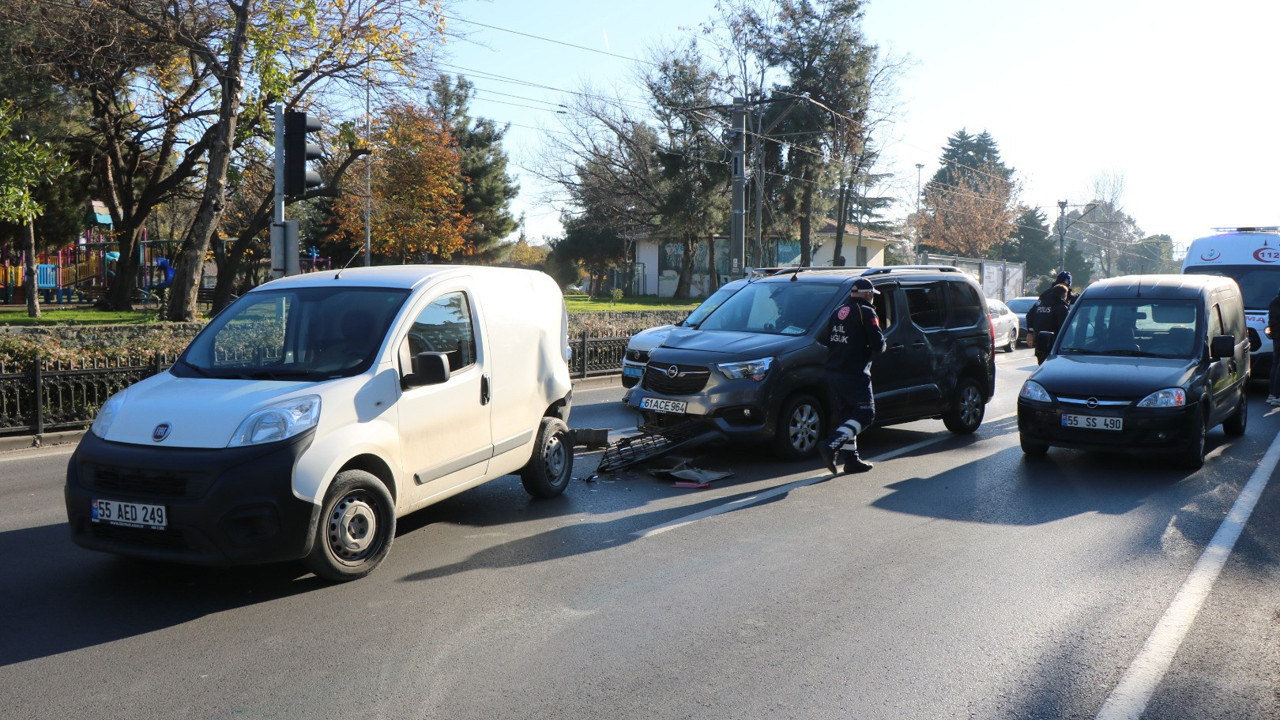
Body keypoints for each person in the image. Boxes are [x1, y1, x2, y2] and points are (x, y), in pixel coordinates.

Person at [819, 277, 886, 474]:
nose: (873, 299)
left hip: (834, 371)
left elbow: (826, 339)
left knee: (848, 416)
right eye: (872, 295)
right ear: (867, 294)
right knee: (865, 415)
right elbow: (878, 345)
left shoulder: (837, 311)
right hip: (854, 373)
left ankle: (851, 460)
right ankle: (831, 445)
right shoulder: (866, 311)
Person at [1028, 283, 1069, 365]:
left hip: (1039, 343)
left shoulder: (1041, 303)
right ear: (1064, 295)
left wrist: (1030, 332)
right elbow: (1065, 327)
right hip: (1054, 344)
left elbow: (1029, 315)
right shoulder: (1061, 307)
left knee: (1042, 366)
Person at [1268, 289, 1280, 405]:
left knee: (1276, 365)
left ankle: (1273, 394)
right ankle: (1276, 395)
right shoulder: (1277, 303)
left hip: (1277, 338)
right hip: (1278, 337)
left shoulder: (1275, 302)